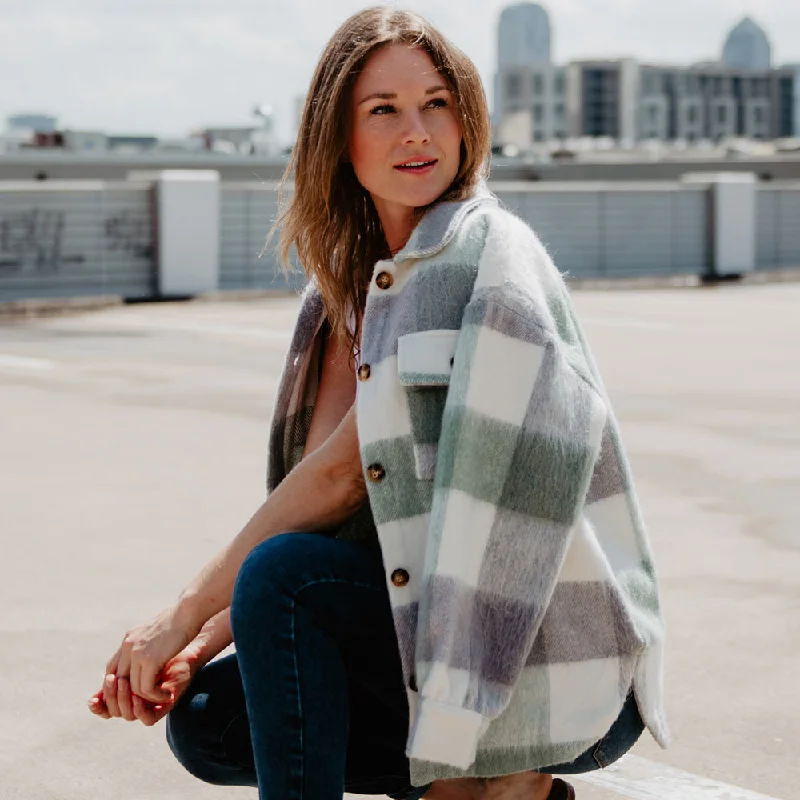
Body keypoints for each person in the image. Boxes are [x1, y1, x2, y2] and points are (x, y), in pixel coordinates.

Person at [87, 7, 669, 800]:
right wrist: (202, 645)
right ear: (338, 138)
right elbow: (332, 524)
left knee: (283, 576)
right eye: (383, 110)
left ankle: (504, 776)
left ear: (465, 119)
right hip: (425, 632)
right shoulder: (341, 305)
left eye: (436, 103)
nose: (417, 133)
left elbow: (340, 479)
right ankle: (464, 782)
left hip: (545, 659)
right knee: (211, 718)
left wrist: (178, 618)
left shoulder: (482, 255)